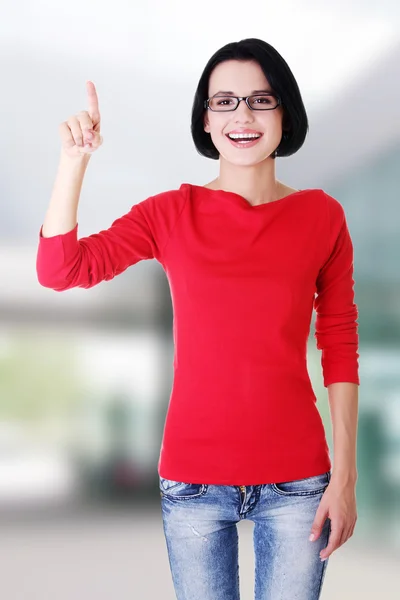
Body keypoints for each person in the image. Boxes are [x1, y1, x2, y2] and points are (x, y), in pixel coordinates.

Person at [36, 37, 359, 600]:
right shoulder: (169, 213)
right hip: (192, 480)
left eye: (261, 99)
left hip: (300, 483)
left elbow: (339, 343)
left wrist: (346, 477)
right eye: (224, 102)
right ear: (205, 121)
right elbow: (62, 270)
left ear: (286, 111)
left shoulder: (322, 216)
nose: (243, 116)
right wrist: (73, 161)